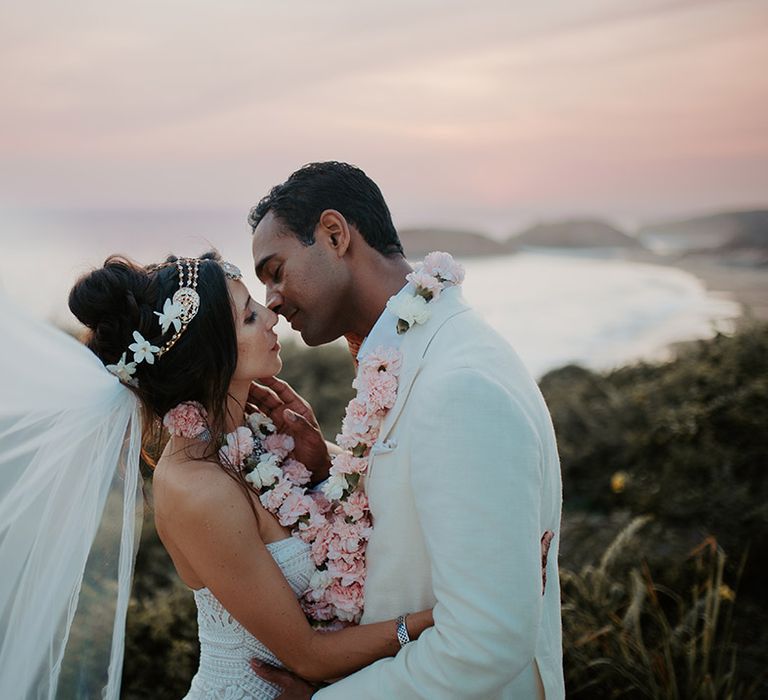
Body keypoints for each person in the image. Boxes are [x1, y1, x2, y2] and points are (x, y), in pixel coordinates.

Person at [0, 249, 434, 699]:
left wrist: (321, 464)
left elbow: (365, 510)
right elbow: (308, 656)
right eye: (249, 316)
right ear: (208, 354)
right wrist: (437, 623)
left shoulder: (264, 435)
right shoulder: (195, 486)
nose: (272, 317)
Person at [248, 162, 565, 699]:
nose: (272, 301)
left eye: (276, 271)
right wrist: (328, 464)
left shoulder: (460, 384)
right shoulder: (413, 353)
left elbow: (487, 641)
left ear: (334, 234)